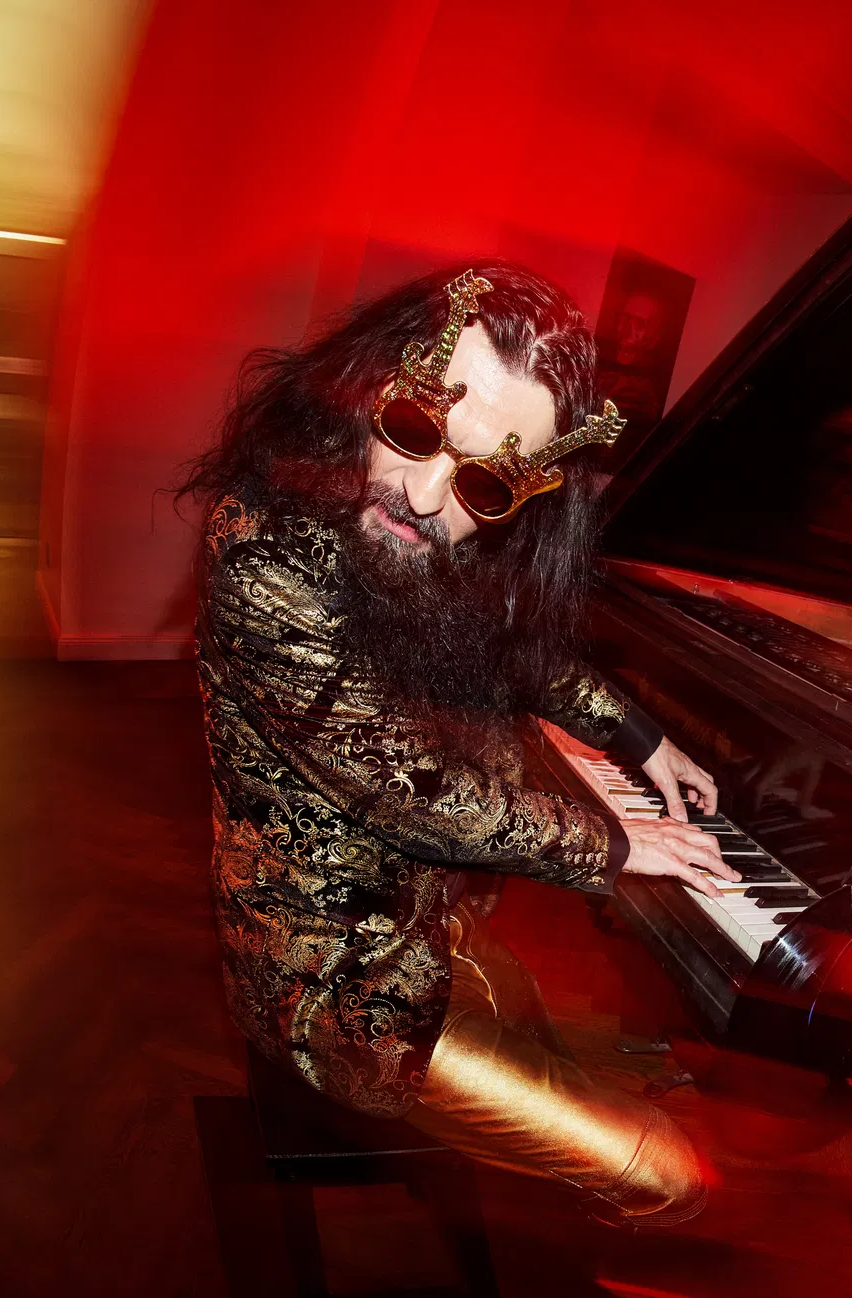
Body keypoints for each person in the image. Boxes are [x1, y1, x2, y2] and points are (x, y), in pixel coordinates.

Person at [181, 263, 736, 1226]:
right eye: (413, 429)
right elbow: (409, 788)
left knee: (647, 1077)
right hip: (331, 992)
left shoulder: (417, 531)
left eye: (481, 480)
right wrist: (614, 841)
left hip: (434, 932)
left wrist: (640, 736)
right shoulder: (263, 553)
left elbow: (514, 649)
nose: (427, 494)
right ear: (366, 388)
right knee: (672, 1176)